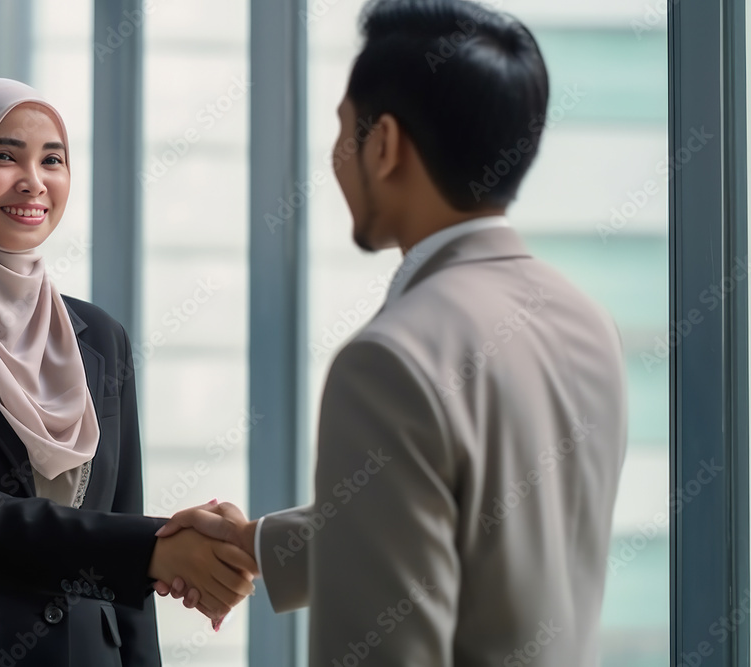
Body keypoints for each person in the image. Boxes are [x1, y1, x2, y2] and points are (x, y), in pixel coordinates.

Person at [155, 0, 629, 664]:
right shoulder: (586, 321)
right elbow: (481, 528)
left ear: (384, 146)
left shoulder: (389, 361)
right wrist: (257, 544)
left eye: (343, 129)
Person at [0, 77, 255, 667]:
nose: (34, 181)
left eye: (52, 159)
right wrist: (160, 551)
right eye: (2, 155)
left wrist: (161, 567)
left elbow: (120, 518)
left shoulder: (99, 337)